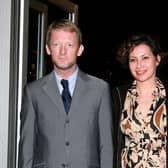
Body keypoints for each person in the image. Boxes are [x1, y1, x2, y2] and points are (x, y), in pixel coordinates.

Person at [18, 19, 113, 168]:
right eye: (56, 44)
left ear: (79, 50)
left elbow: (106, 146)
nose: (62, 51)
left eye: (69, 45)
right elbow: (27, 147)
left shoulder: (100, 89)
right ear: (48, 48)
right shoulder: (33, 91)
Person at [112, 34, 168, 167]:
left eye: (145, 58)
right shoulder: (118, 96)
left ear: (157, 59)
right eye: (133, 60)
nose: (139, 65)